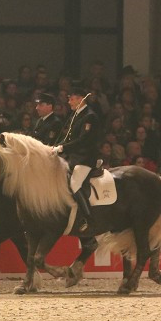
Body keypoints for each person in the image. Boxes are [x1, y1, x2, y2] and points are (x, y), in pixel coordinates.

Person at [52, 85, 101, 232]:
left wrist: (63, 148)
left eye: (72, 99)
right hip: (73, 157)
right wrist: (54, 147)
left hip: (85, 158)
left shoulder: (89, 116)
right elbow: (67, 138)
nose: (69, 102)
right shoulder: (75, 116)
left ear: (81, 99)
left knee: (74, 183)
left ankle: (88, 218)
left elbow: (84, 140)